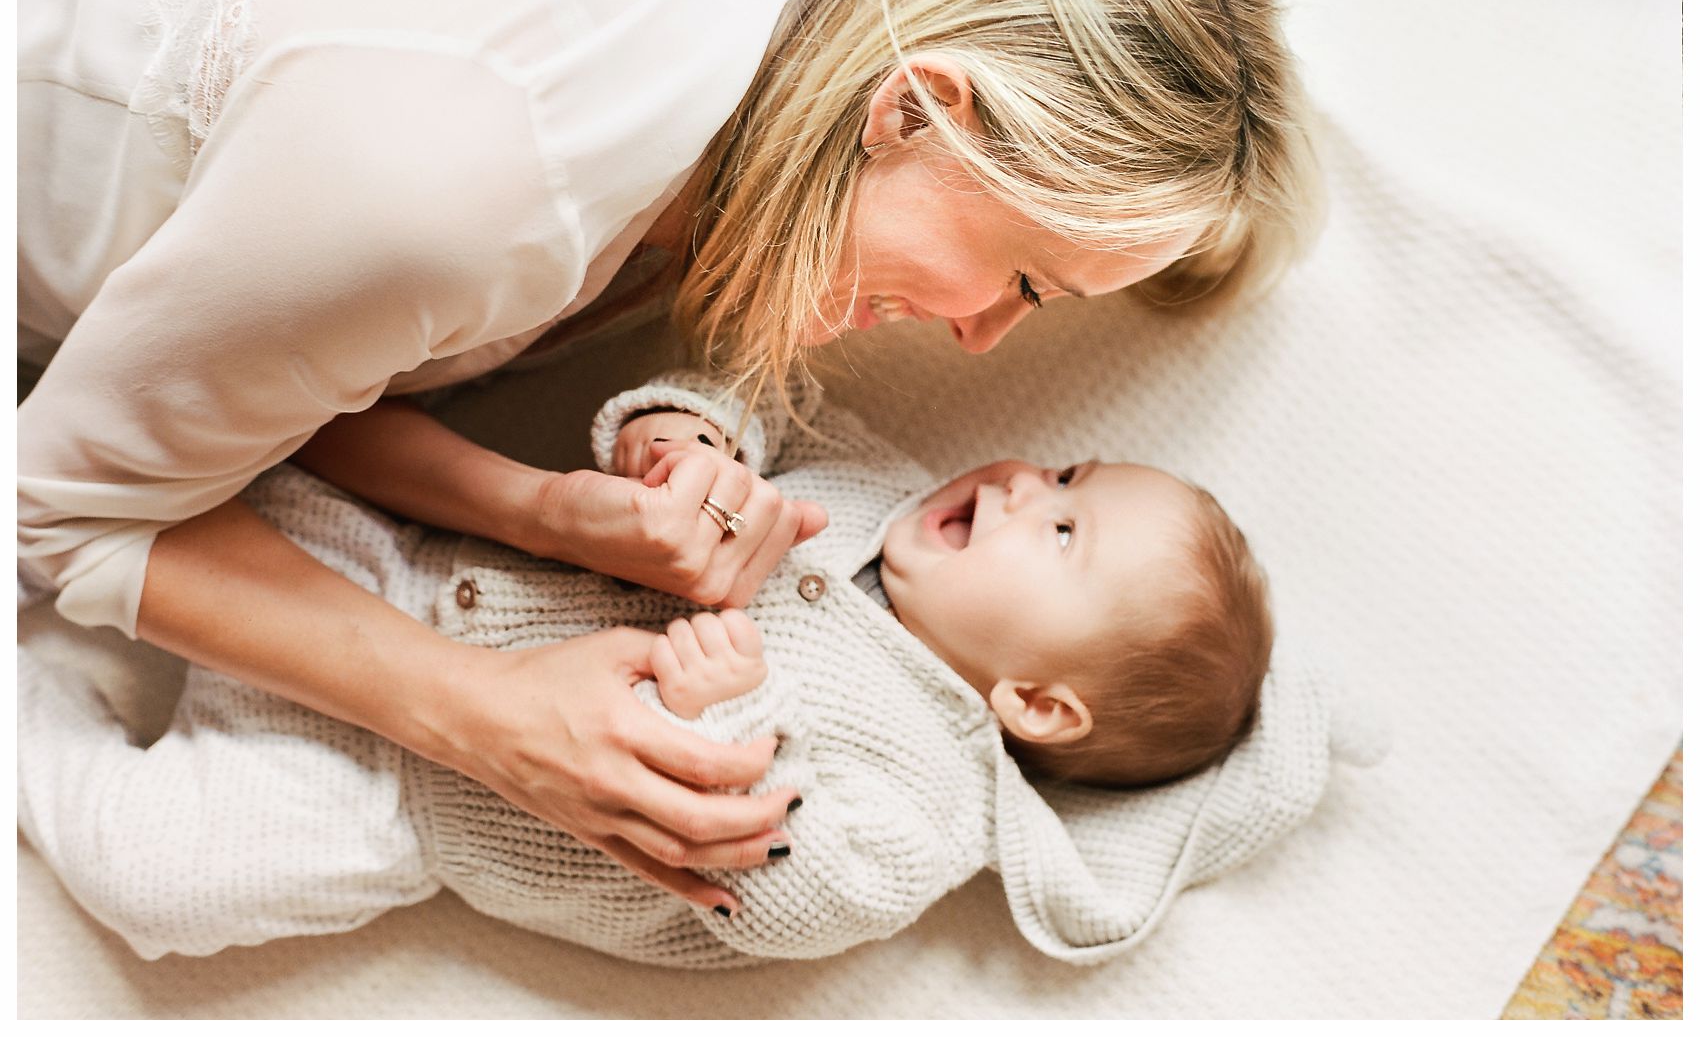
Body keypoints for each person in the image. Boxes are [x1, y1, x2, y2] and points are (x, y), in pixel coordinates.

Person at [17, 0, 1323, 911]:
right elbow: (54, 510)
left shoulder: (721, 118)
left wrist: (543, 515)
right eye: (1025, 281)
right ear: (914, 110)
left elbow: (293, 382)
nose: (984, 342)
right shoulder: (459, 191)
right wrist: (481, 715)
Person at [19, 371, 1320, 966]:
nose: (1030, 483)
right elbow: (764, 398)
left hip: (396, 799)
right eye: (1069, 470)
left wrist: (734, 716)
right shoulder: (867, 486)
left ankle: (39, 704)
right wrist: (685, 436)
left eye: (1065, 530)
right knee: (239, 430)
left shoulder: (926, 813)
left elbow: (798, 898)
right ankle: (55, 497)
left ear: (1034, 702)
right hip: (401, 567)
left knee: (158, 879)